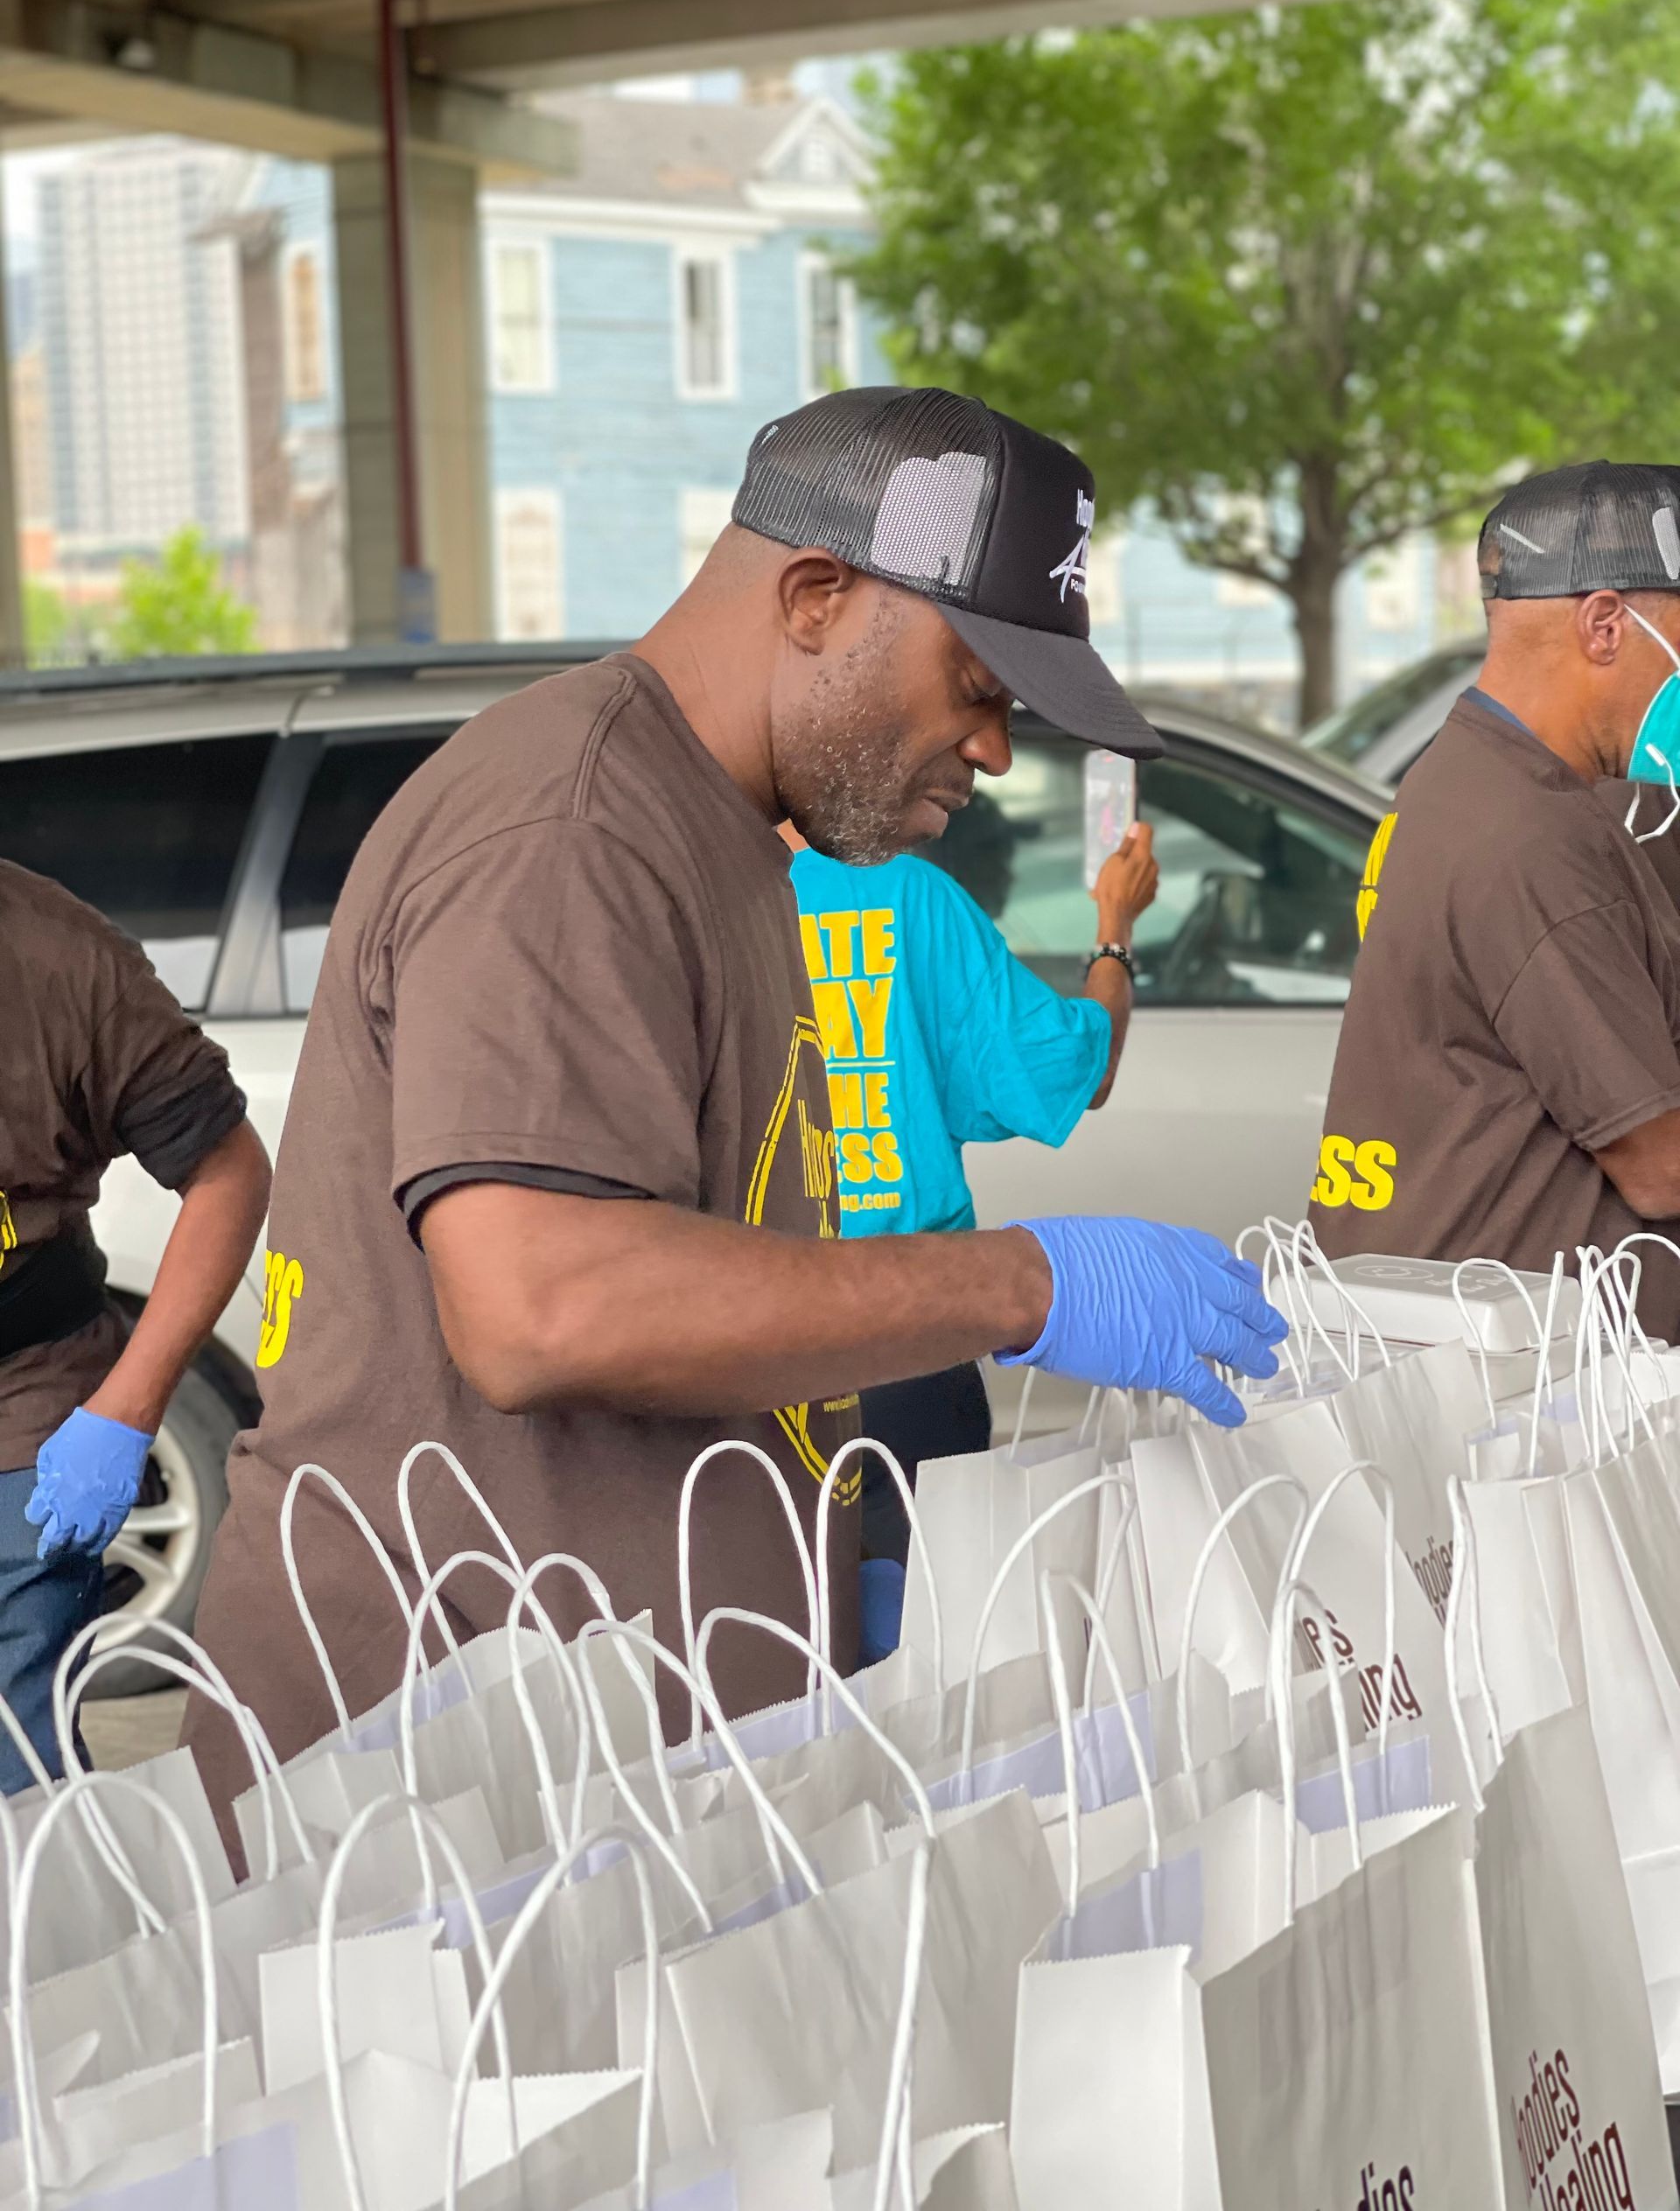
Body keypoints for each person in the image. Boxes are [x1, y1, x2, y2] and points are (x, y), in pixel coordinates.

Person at [184, 386, 1284, 1828]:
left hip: (631, 1751)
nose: (999, 753)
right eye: (978, 685)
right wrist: (1022, 1283)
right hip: (452, 1794)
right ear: (818, 594)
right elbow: (541, 1306)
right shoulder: (571, 830)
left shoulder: (729, 837)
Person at [1311, 460, 1680, 1329]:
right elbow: (1658, 1161)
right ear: (1604, 625)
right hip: (1511, 1390)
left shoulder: (1475, 776)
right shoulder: (1527, 837)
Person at [788, 820, 1159, 1591]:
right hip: (911, 1338)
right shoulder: (907, 896)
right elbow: (1076, 1067)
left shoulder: (699, 892)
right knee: (930, 1637)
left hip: (743, 1348)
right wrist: (1114, 929)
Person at [0, 863, 270, 1787]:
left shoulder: (63, 965)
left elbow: (227, 1172)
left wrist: (125, 1412)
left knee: (18, 1763)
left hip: (20, 1397)